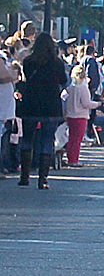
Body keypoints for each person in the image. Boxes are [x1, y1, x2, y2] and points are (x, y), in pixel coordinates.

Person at [15, 32, 66, 189]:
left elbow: (26, 77)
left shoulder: (29, 61)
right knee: (47, 139)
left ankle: (25, 176)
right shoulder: (57, 63)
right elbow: (63, 81)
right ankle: (43, 178)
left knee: (27, 139)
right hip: (50, 104)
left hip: (31, 103)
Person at [62, 65, 103, 167]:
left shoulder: (69, 88)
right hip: (80, 116)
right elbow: (86, 103)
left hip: (70, 116)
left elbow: (64, 99)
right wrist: (98, 104)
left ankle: (70, 157)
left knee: (71, 138)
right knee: (77, 140)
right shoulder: (83, 88)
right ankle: (74, 159)